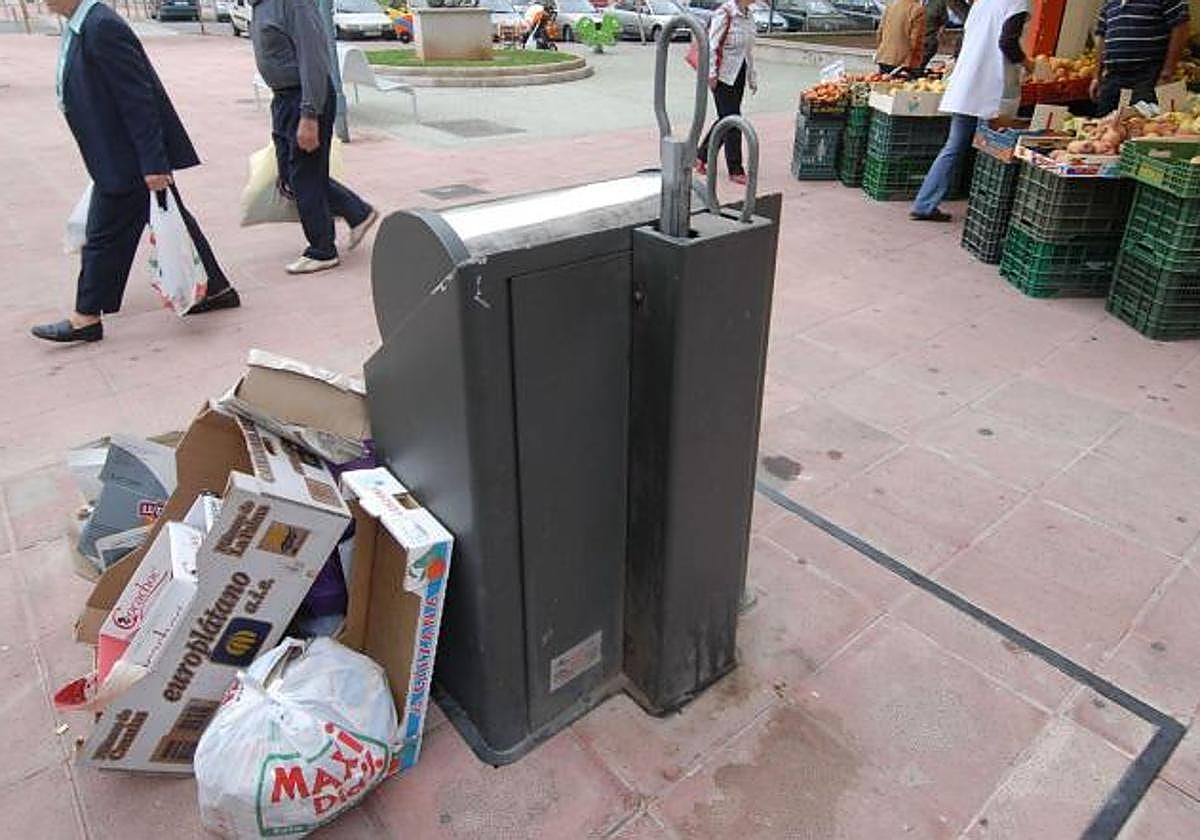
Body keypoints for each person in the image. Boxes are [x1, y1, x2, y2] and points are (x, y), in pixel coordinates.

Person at [32, 0, 240, 344]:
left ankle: (86, 316)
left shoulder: (101, 27)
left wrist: (154, 163)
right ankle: (216, 288)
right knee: (171, 217)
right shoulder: (84, 26)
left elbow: (138, 98)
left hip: (127, 158)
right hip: (119, 154)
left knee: (102, 236)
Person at [250, 0, 379, 274]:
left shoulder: (294, 4)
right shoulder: (259, 6)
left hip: (306, 98)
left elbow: (314, 60)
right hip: (283, 98)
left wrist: (309, 115)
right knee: (290, 176)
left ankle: (322, 249)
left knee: (304, 176)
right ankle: (357, 212)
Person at [910, 0, 1032, 222]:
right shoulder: (1016, 3)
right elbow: (1008, 42)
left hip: (967, 82)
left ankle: (925, 203)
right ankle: (987, 210)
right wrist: (1029, 64)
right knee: (994, 148)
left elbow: (968, 37)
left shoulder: (982, 3)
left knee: (954, 146)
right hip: (991, 86)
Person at [1090, 0, 1191, 116]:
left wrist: (1167, 73)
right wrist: (1096, 76)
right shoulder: (1109, 2)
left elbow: (1181, 27)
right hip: (1113, 77)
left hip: (1148, 76)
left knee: (1141, 124)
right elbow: (1102, 35)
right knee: (1104, 125)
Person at [695, 0, 758, 186]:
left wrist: (751, 77)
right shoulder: (725, 13)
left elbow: (748, 51)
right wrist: (712, 74)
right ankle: (735, 169)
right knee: (733, 121)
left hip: (737, 73)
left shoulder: (748, 15)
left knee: (726, 119)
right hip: (722, 75)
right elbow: (712, 45)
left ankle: (701, 155)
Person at [876, 0, 926, 75]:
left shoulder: (890, 6)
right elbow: (915, 39)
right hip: (904, 61)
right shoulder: (917, 9)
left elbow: (880, 31)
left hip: (884, 57)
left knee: (883, 83)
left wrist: (881, 49)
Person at [920, 0, 948, 72]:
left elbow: (943, 22)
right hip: (913, 41)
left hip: (929, 40)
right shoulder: (913, 2)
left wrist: (938, 37)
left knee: (918, 67)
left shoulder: (939, 3)